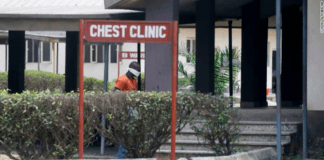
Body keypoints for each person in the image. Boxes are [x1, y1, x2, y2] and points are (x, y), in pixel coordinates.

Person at [115, 61, 140, 159]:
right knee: (125, 133)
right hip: (125, 109)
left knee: (132, 133)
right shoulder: (122, 79)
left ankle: (129, 153)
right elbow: (116, 95)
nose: (134, 77)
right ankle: (121, 156)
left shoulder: (133, 81)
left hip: (133, 108)